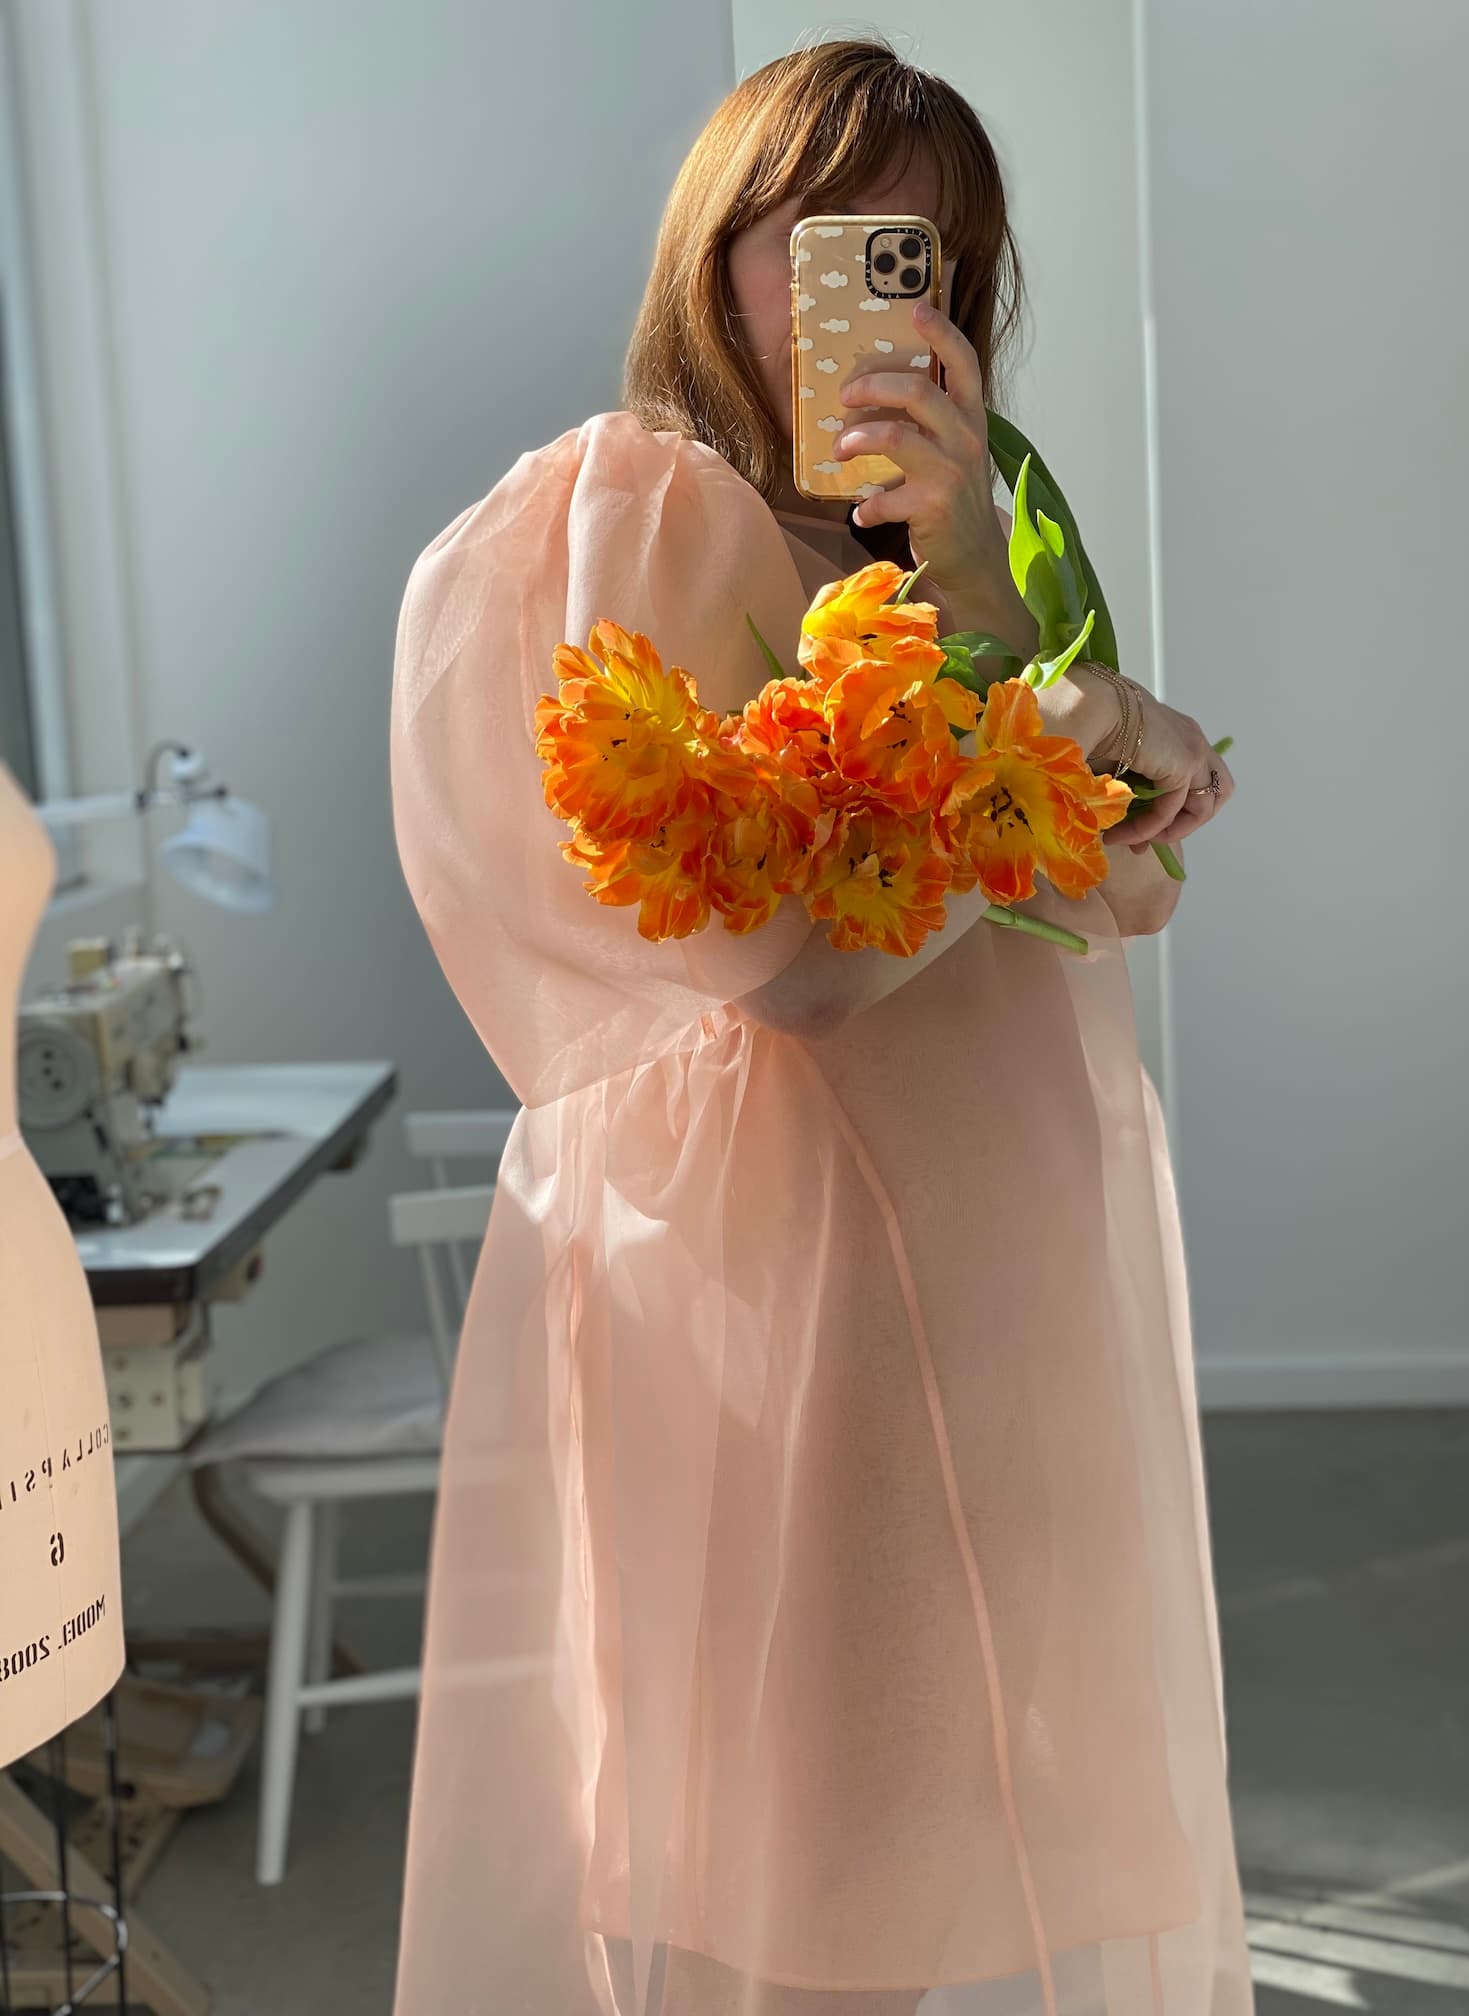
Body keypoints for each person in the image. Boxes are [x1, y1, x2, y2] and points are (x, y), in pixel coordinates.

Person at [388, 36, 1251, 2016]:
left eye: (939, 262)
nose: (900, 300)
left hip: (1004, 1288)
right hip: (813, 1307)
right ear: (721, 254)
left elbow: (1103, 891)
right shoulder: (627, 514)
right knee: (819, 1881)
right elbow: (790, 956)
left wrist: (995, 617)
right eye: (851, 239)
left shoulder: (961, 545)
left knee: (967, 1855)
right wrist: (1074, 730)